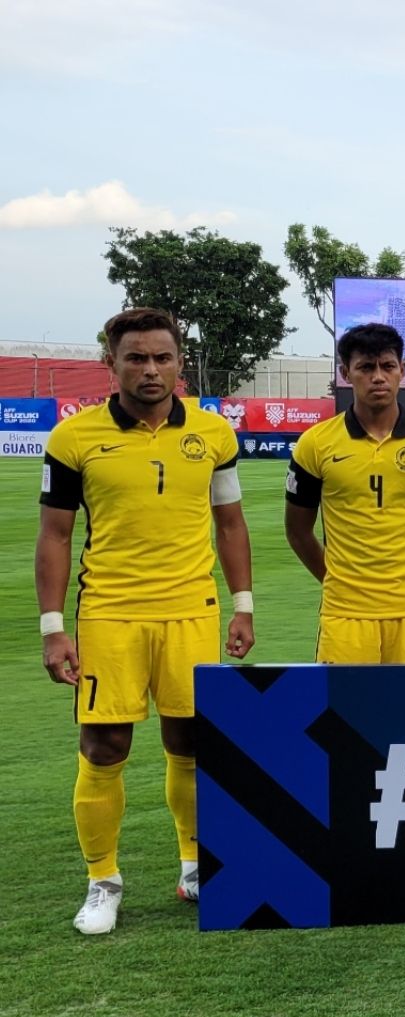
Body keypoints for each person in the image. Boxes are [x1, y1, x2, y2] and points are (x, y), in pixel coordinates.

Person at [36, 308, 254, 934]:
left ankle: (193, 865)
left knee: (190, 742)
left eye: (162, 357)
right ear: (111, 363)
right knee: (106, 744)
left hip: (192, 611)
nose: (150, 369)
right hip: (109, 612)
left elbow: (230, 523)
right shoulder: (74, 439)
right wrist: (55, 625)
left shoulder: (213, 435)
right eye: (136, 357)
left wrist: (242, 607)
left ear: (181, 362)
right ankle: (102, 880)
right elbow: (55, 534)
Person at [286, 323, 405, 662]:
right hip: (345, 611)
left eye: (387, 366)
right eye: (365, 368)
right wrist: (335, 578)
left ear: (403, 370)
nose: (378, 377)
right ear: (346, 373)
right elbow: (297, 531)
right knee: (344, 713)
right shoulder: (315, 444)